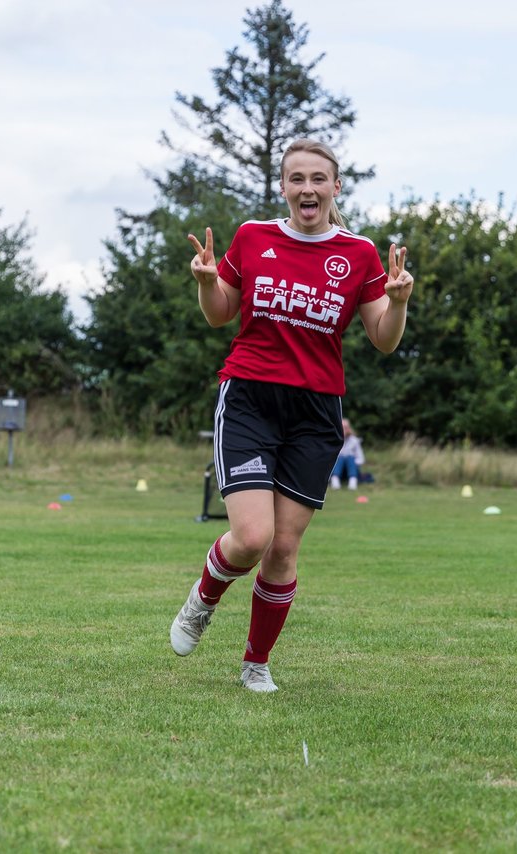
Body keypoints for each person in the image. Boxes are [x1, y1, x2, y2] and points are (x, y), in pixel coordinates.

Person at [170, 139, 415, 692]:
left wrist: (398, 303)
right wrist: (208, 284)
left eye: (318, 179)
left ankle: (256, 663)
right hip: (251, 398)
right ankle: (201, 600)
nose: (308, 188)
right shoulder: (254, 237)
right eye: (296, 179)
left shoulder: (360, 254)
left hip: (316, 411)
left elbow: (383, 340)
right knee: (252, 537)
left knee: (283, 547)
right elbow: (220, 316)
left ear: (336, 186)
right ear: (282, 187)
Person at [330, 417, 364, 490]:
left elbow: (361, 459)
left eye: (345, 427)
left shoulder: (354, 441)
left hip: (351, 468)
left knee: (350, 457)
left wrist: (351, 462)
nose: (343, 429)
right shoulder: (333, 440)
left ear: (349, 428)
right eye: (341, 427)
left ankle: (352, 482)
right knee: (340, 458)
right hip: (337, 468)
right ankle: (335, 481)